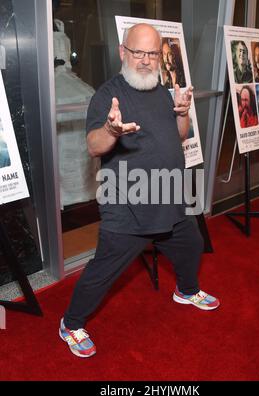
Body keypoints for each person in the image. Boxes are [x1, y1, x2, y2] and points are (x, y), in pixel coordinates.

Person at [59, 23, 220, 358]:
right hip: (128, 202)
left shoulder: (162, 90)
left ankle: (186, 291)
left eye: (151, 53)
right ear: (122, 52)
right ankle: (71, 324)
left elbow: (178, 135)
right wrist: (111, 130)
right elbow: (93, 146)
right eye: (138, 53)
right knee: (104, 271)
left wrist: (182, 113)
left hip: (168, 195)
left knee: (192, 243)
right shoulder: (107, 95)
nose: (145, 61)